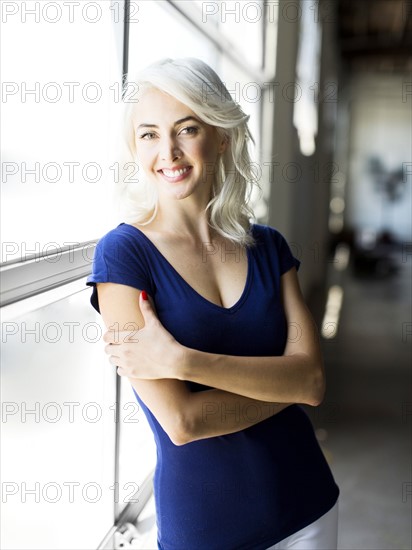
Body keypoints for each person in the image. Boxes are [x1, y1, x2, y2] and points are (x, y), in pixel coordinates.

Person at [86, 57, 339, 550]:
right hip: (207, 530)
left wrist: (185, 361)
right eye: (149, 135)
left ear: (221, 135)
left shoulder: (268, 246)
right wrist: (285, 381)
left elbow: (312, 381)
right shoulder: (122, 255)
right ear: (134, 148)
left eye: (186, 129)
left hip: (309, 506)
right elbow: (182, 422)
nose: (169, 152)